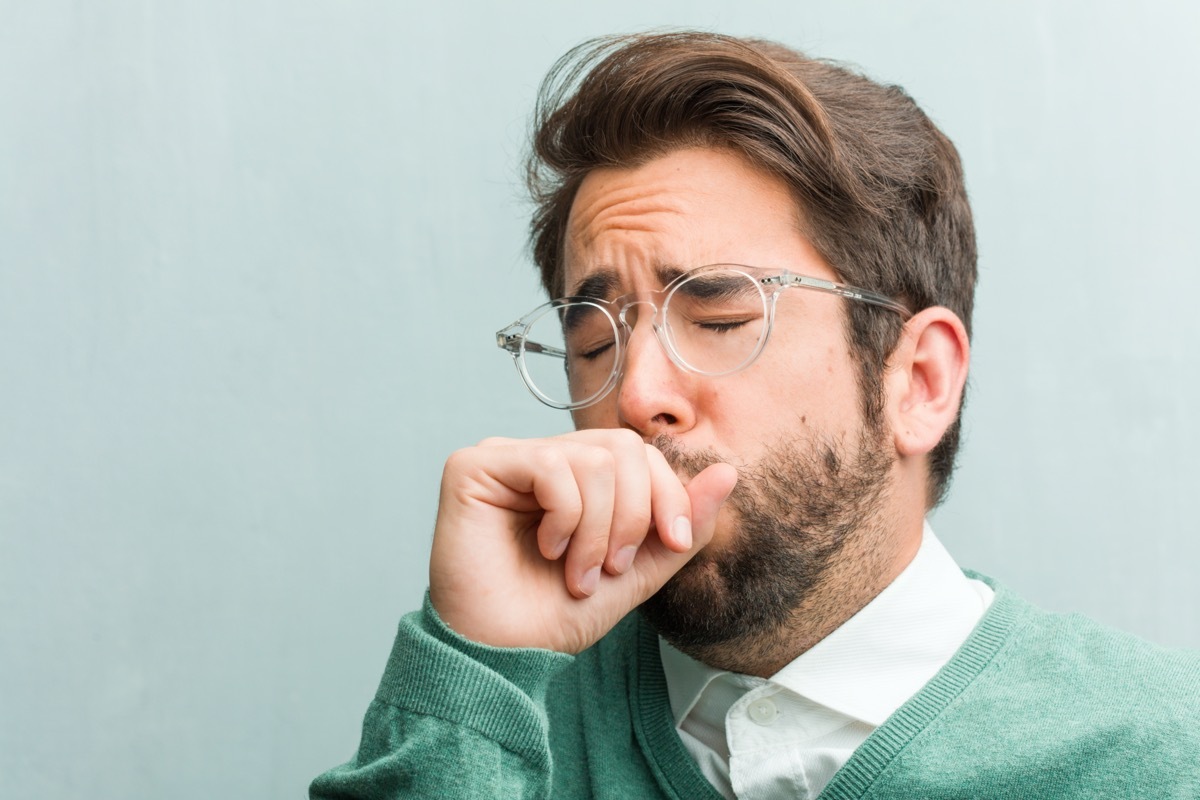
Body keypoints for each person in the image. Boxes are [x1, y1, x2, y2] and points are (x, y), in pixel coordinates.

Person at [310, 31, 1199, 799]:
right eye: (592, 341)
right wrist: (471, 669)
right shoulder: (492, 730)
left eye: (721, 318)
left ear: (918, 381)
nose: (634, 394)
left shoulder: (1159, 756)